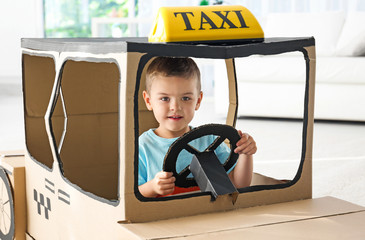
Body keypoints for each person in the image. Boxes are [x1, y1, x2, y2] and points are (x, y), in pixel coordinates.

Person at [138, 57, 257, 198]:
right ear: (148, 101)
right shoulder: (143, 146)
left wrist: (246, 153)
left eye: (186, 98)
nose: (175, 107)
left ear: (198, 101)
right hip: (165, 217)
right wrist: (152, 187)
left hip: (206, 214)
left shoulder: (210, 141)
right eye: (165, 99)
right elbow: (133, 195)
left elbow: (238, 184)